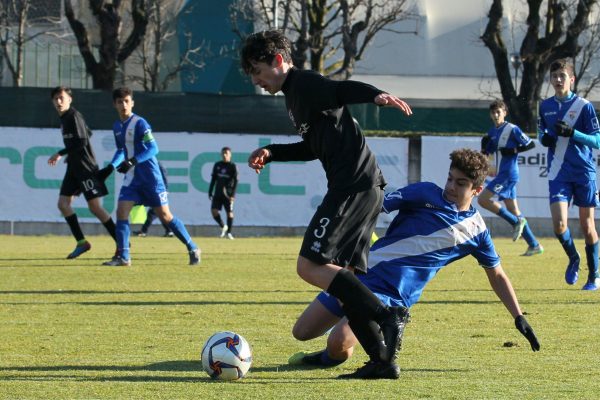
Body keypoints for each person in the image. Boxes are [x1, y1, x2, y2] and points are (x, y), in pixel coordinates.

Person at [241, 29, 413, 379]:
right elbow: (312, 147)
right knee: (343, 278)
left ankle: (387, 315)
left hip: (352, 187)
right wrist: (272, 152)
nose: (257, 81)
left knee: (309, 265)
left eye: (257, 71)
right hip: (362, 187)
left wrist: (376, 96)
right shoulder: (294, 96)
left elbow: (340, 89)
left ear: (277, 61)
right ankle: (383, 361)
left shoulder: (303, 84)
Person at [288, 148, 540, 371]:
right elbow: (375, 206)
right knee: (302, 332)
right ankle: (330, 350)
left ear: (477, 190)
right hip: (360, 273)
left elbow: (497, 275)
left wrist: (518, 316)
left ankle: (328, 358)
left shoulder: (477, 232)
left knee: (338, 342)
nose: (451, 187)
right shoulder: (425, 192)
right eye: (450, 179)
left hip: (391, 296)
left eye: (461, 183)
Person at [98, 87, 200, 266]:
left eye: (127, 101)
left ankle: (193, 247)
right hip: (132, 179)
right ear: (114, 104)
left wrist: (132, 161)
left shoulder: (140, 123)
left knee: (165, 216)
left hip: (151, 178)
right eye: (120, 102)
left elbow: (153, 149)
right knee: (121, 211)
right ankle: (124, 257)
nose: (124, 105)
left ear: (132, 103)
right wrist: (110, 168)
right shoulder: (117, 127)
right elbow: (122, 150)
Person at [538, 58, 600, 291]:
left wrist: (573, 133)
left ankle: (594, 276)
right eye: (554, 76)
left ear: (571, 79)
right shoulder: (545, 106)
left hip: (583, 171)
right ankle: (574, 258)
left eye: (562, 76)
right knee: (560, 224)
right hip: (558, 172)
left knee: (587, 226)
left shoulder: (584, 106)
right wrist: (545, 138)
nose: (558, 80)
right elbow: (541, 132)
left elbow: (597, 140)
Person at [47, 86, 118, 259]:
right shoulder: (65, 118)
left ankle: (121, 241)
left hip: (86, 169)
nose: (58, 101)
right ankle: (82, 242)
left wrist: (61, 153)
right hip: (74, 168)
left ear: (69, 99)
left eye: (61, 98)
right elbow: (88, 133)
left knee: (95, 207)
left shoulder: (73, 116)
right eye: (55, 99)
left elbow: (83, 140)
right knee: (63, 204)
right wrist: (70, 155)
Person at [478, 99, 542, 256]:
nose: (495, 115)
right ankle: (534, 245)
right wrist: (484, 147)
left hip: (508, 174)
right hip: (502, 174)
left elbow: (530, 144)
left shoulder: (512, 129)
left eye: (498, 112)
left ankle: (516, 223)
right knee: (513, 209)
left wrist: (514, 150)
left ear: (504, 113)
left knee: (483, 200)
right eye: (493, 112)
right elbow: (487, 153)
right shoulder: (492, 132)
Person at [133, 161, 173, 237]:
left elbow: (164, 178)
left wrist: (166, 190)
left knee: (154, 213)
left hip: (160, 192)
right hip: (155, 191)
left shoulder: (159, 165)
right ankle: (169, 231)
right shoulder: (148, 165)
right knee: (159, 213)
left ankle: (144, 231)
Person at [208, 147, 238, 239]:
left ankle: (229, 233)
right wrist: (210, 191)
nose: (225, 155)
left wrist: (233, 195)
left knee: (229, 213)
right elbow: (213, 179)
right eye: (223, 153)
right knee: (214, 211)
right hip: (217, 192)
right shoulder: (217, 165)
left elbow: (236, 181)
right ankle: (223, 226)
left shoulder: (233, 166)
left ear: (230, 155)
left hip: (228, 195)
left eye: (226, 153)